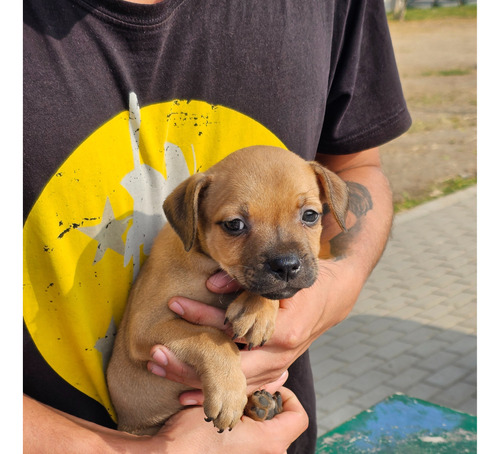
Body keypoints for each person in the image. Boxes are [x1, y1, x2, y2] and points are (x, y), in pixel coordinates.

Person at [23, 0, 411, 452]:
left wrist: (333, 288)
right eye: (236, 225)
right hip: (125, 428)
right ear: (194, 218)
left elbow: (359, 163)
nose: (285, 254)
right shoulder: (179, 251)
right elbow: (147, 333)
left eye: (308, 216)